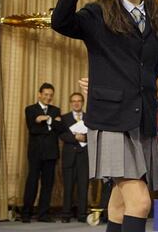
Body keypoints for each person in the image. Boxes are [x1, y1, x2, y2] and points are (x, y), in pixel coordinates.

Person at [51, 0, 158, 232]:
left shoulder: (157, 21)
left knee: (118, 206)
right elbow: (60, 21)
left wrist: (108, 82)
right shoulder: (98, 13)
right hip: (112, 121)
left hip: (141, 121)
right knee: (141, 202)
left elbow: (148, 73)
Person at [22, 82, 62, 223]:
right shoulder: (30, 109)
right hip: (35, 153)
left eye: (50, 95)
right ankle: (26, 213)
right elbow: (33, 129)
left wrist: (47, 120)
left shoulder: (55, 110)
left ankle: (43, 214)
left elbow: (60, 129)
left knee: (48, 184)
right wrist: (51, 125)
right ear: (39, 94)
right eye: (45, 94)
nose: (48, 97)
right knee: (32, 182)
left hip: (51, 153)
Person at [59, 92, 89, 223]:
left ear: (82, 102)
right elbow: (61, 135)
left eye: (79, 101)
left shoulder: (89, 118)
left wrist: (85, 137)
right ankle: (66, 214)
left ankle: (82, 214)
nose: (76, 103)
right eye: (73, 101)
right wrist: (74, 137)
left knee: (83, 186)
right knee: (68, 186)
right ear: (70, 103)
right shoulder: (64, 118)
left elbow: (94, 135)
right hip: (69, 156)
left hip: (84, 157)